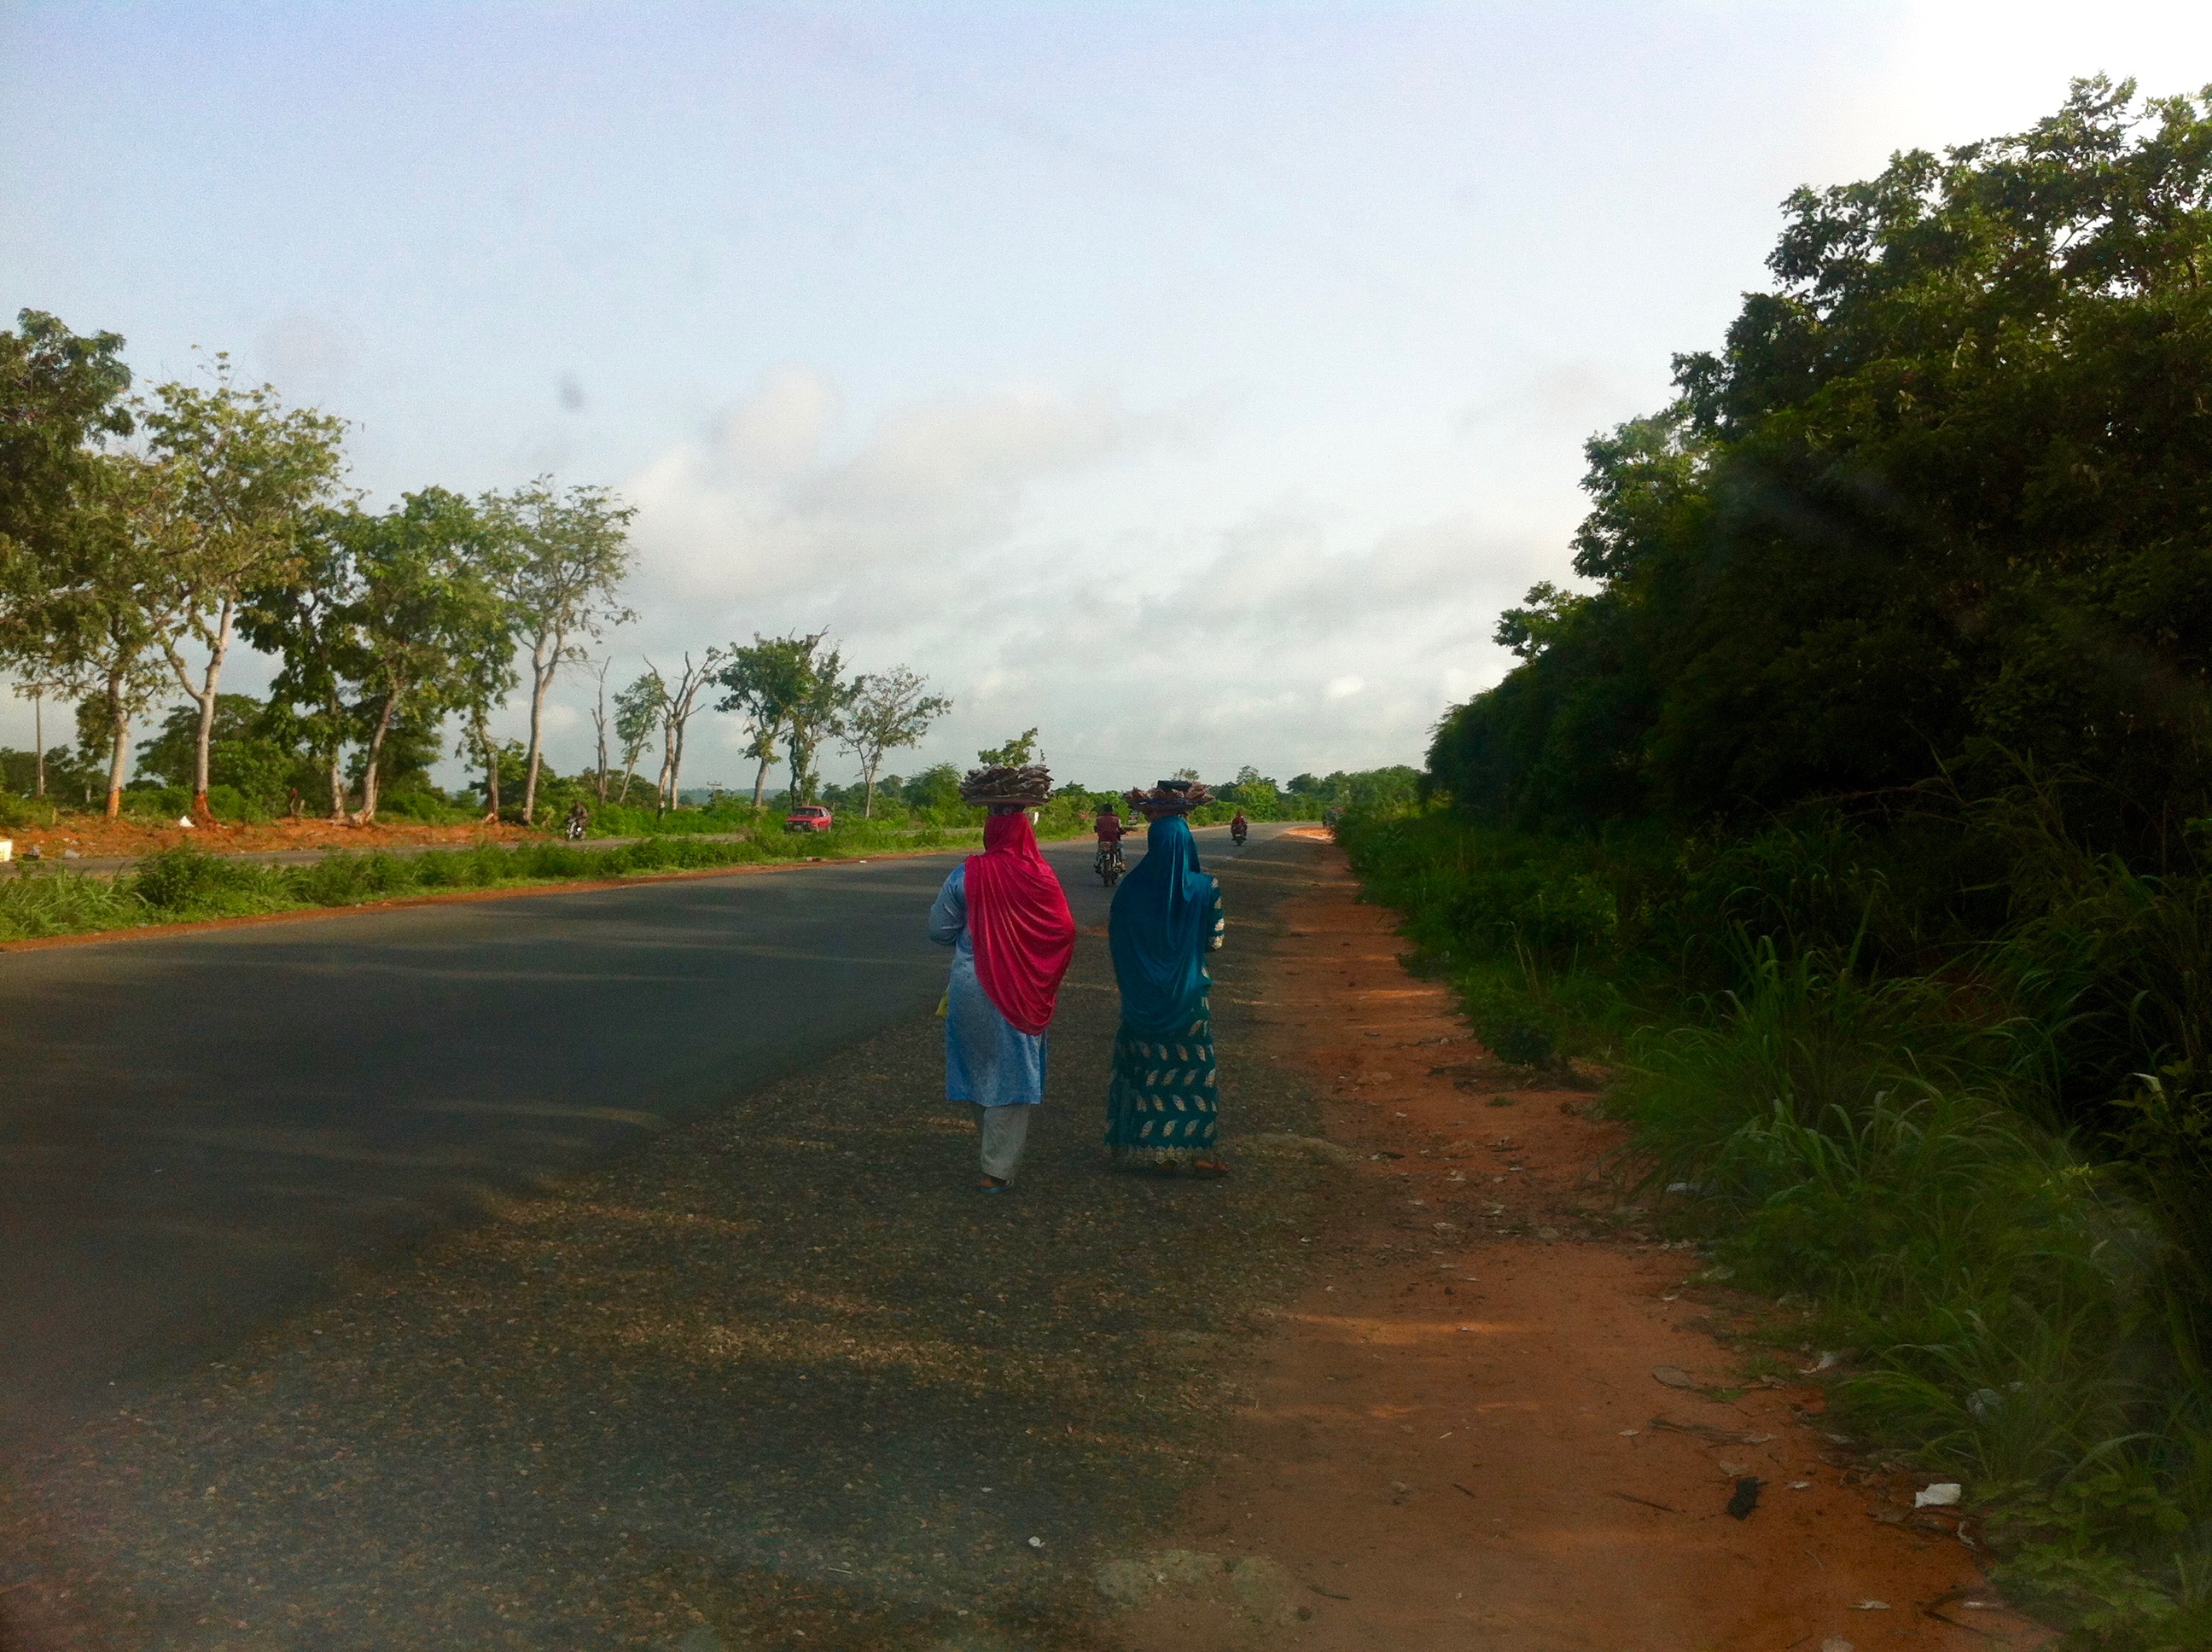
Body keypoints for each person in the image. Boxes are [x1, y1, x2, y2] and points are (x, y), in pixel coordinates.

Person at [928, 781, 1076, 1190]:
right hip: (1023, 989)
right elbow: (1064, 929)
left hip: (971, 987)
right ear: (1026, 828)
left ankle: (992, 1158)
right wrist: (1037, 962)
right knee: (1011, 1073)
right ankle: (996, 1169)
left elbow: (939, 931)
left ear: (989, 828)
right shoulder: (1042, 877)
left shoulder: (965, 874)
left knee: (978, 1065)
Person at [1104, 786, 1228, 1176]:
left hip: (1141, 999)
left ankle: (1147, 1149)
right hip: (1188, 998)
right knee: (1194, 1072)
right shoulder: (1206, 888)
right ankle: (1192, 1149)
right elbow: (1216, 942)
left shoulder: (1129, 891)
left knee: (1144, 1070)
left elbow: (1118, 942)